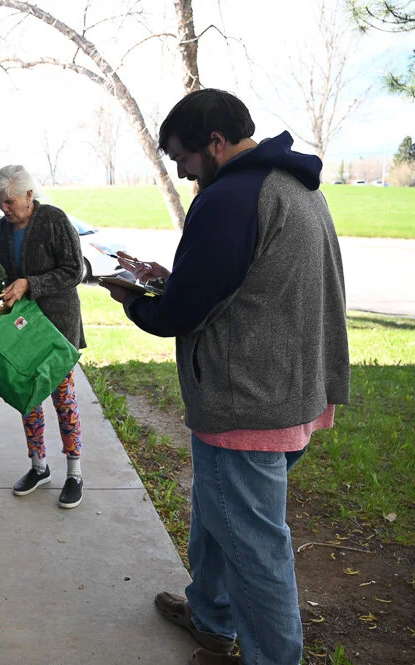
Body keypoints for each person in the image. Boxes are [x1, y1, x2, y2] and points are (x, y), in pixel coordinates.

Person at [101, 89, 349, 665]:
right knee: (220, 518)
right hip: (294, 392)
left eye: (183, 158)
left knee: (256, 549)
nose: (183, 173)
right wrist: (167, 277)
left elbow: (181, 315)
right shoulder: (296, 186)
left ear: (215, 142)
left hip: (246, 407)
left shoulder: (229, 198)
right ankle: (212, 619)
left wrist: (133, 299)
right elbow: (247, 286)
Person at [0, 165, 87, 509]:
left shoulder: (54, 220)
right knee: (27, 395)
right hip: (20, 328)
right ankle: (39, 467)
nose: (4, 208)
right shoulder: (1, 229)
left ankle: (74, 473)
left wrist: (30, 284)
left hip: (56, 327)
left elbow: (75, 270)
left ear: (28, 195)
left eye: (9, 201)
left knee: (63, 398)